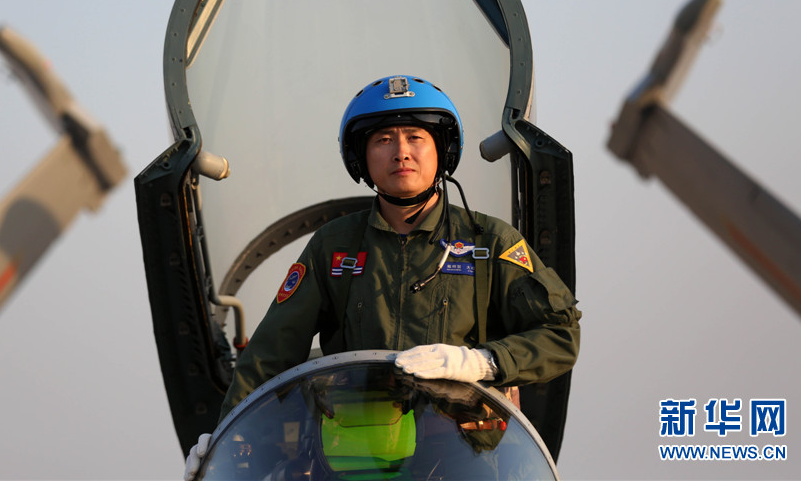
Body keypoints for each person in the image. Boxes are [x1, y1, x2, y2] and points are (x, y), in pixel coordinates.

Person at [184, 75, 581, 479]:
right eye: (383, 140)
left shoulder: (490, 242)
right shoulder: (333, 247)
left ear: (443, 151)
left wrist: (480, 362)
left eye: (416, 137)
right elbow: (268, 356)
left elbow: (560, 336)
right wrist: (225, 441)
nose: (401, 153)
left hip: (467, 460)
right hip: (356, 461)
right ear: (361, 158)